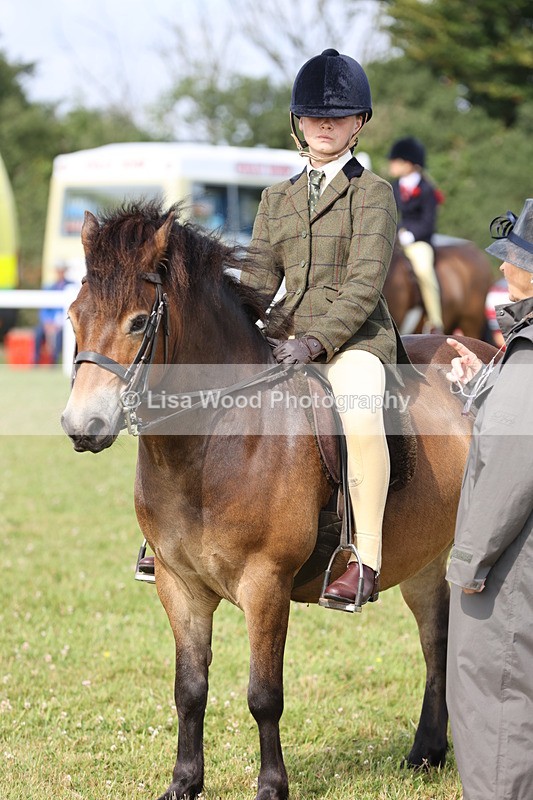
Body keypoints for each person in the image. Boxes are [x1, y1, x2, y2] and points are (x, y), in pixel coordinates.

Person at [240, 48, 411, 607]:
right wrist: (238, 326)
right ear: (299, 123)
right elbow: (261, 282)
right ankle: (173, 533)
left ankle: (366, 560)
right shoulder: (277, 199)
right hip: (287, 337)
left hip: (354, 341)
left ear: (358, 123)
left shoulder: (375, 195)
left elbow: (365, 285)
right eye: (314, 116)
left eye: (337, 117)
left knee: (359, 409)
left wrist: (315, 341)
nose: (325, 125)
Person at [445, 198, 533, 799]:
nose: (505, 269)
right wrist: (482, 389)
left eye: (518, 261)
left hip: (511, 568)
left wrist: (468, 559)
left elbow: (511, 463)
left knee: (489, 693)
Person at [388, 136, 444, 333]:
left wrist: (410, 235)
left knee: (423, 271)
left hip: (419, 241)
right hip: (396, 239)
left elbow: (429, 222)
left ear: (409, 163)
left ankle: (435, 321)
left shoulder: (427, 189)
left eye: (396, 161)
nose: (391, 164)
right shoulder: (393, 186)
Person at [34, 264, 74, 364]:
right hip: (50, 322)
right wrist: (47, 323)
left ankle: (54, 361)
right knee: (38, 332)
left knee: (60, 335)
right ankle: (35, 360)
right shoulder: (50, 287)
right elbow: (44, 309)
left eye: (62, 270)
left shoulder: (71, 286)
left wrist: (59, 323)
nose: (60, 273)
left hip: (64, 322)